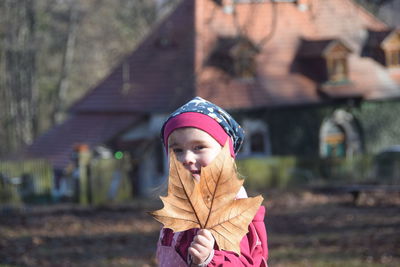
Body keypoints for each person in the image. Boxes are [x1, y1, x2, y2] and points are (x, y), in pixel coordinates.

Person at [156, 97, 268, 266]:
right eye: (177, 150)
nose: (186, 158)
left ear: (226, 156)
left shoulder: (232, 210)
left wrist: (209, 259)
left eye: (199, 147)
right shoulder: (178, 208)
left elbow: (244, 262)